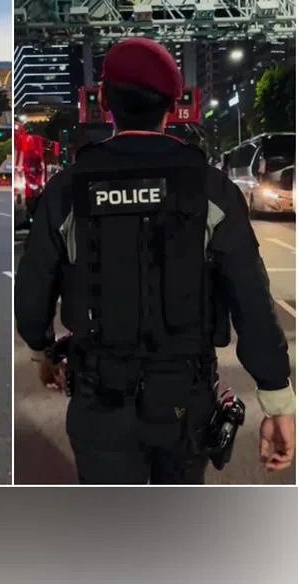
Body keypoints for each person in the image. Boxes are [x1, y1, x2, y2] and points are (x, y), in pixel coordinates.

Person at [15, 37, 295, 484]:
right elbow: (252, 302)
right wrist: (277, 400)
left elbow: (32, 295)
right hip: (186, 403)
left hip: (98, 400)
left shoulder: (67, 189)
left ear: (104, 101)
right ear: (171, 106)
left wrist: (43, 350)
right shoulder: (212, 190)